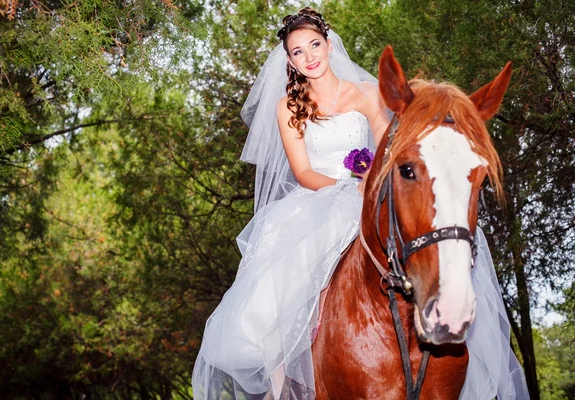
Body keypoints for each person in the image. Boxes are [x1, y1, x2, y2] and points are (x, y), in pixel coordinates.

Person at [192, 7, 529, 400]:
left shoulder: (367, 94)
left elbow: (392, 150)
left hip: (367, 194)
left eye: (314, 45)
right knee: (286, 290)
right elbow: (302, 172)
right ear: (290, 61)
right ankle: (282, 383)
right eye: (298, 52)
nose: (309, 56)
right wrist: (344, 186)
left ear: (329, 44)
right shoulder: (288, 108)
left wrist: (370, 185)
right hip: (319, 199)